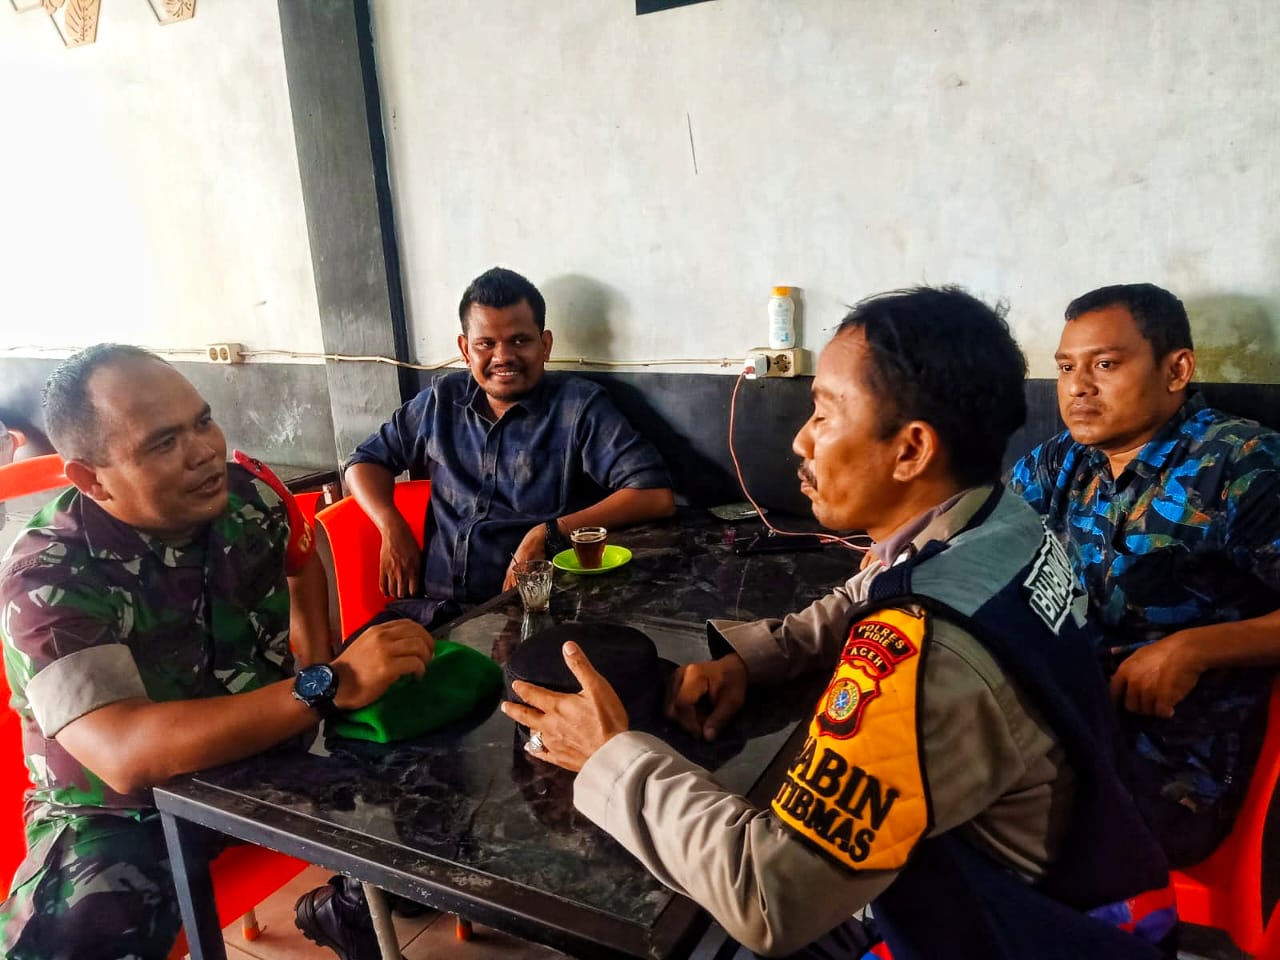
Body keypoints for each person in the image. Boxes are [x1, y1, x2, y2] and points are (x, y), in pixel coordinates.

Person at [502, 288, 1173, 960]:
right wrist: (752, 660)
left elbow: (772, 896)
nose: (800, 439)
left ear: (910, 450)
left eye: (824, 413)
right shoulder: (999, 520)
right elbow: (872, 588)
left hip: (1007, 926)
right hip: (1082, 868)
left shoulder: (926, 661)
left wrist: (611, 757)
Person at [0, 345, 434, 960]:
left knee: (437, 771)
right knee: (76, 933)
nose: (203, 450)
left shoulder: (248, 496)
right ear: (91, 479)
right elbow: (125, 753)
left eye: (203, 421)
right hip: (126, 813)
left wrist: (321, 660)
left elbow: (303, 557)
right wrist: (321, 685)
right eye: (163, 443)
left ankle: (348, 913)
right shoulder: (49, 575)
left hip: (265, 746)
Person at [1011, 283, 1280, 868]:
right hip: (1061, 723)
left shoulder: (1240, 465)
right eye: (1066, 367)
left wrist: (1197, 648)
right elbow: (984, 545)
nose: (1078, 386)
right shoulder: (1060, 462)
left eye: (1105, 364)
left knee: (966, 814)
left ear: (1176, 369)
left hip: (1172, 766)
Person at [344, 266, 675, 628]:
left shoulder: (579, 407)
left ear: (545, 345)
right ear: (465, 349)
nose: (502, 356)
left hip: (521, 617)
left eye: (519, 341)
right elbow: (363, 462)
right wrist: (391, 526)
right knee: (347, 664)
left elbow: (654, 494)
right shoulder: (440, 401)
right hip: (428, 613)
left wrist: (547, 532)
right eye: (485, 344)